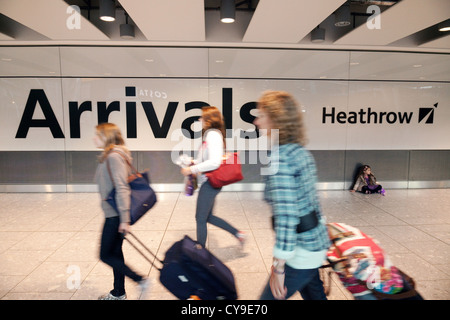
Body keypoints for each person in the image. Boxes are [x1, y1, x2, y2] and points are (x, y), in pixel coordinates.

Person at [253, 90, 330, 300]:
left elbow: (287, 214)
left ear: (276, 119)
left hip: (301, 249)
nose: (256, 121)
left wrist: (279, 267)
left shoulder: (280, 158)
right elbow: (313, 199)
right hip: (315, 241)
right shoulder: (300, 151)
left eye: (261, 115)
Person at [94, 123, 149, 300]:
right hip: (115, 212)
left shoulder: (113, 157)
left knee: (104, 255)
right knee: (116, 253)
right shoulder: (114, 155)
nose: (94, 139)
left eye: (97, 135)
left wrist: (124, 219)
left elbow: (122, 187)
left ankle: (140, 279)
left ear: (106, 137)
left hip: (115, 214)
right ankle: (118, 292)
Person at [180, 106, 245, 247]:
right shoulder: (211, 135)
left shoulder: (213, 135)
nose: (199, 119)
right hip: (209, 182)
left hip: (210, 183)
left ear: (209, 119)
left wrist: (192, 169)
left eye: (202, 117)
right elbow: (209, 160)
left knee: (200, 218)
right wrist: (192, 162)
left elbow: (215, 163)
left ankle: (200, 252)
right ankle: (238, 234)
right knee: (207, 217)